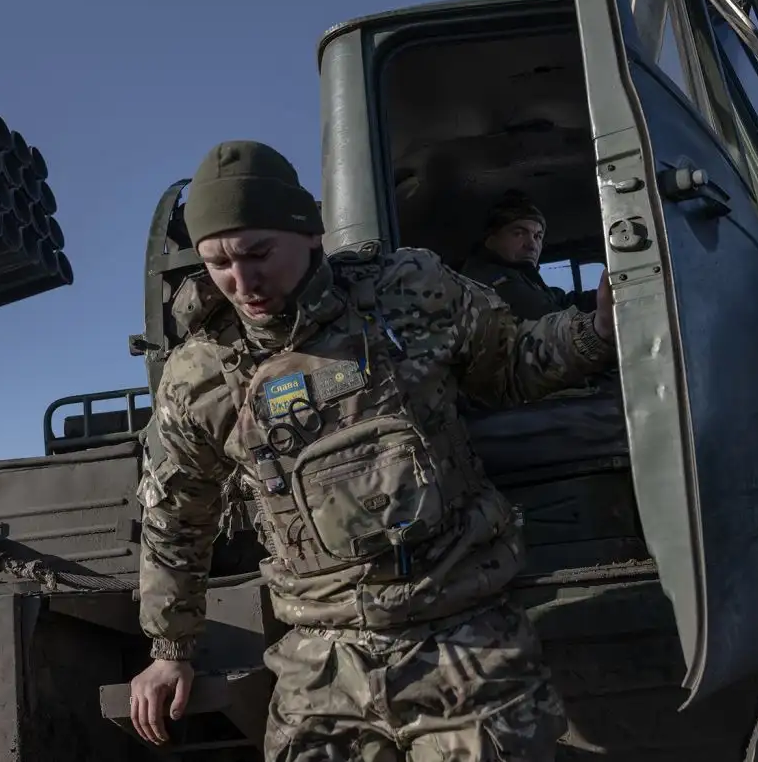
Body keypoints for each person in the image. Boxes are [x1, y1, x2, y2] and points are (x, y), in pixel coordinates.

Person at [128, 140, 617, 761]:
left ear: (310, 234)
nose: (242, 282)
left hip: (463, 637)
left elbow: (511, 365)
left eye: (257, 254)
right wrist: (170, 652)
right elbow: (177, 514)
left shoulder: (410, 291)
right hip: (320, 659)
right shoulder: (196, 375)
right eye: (218, 263)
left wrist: (595, 331)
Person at [460, 190, 598, 320]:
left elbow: (561, 300)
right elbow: (550, 321)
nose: (532, 245)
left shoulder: (523, 277)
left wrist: (608, 293)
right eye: (518, 233)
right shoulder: (491, 281)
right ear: (491, 241)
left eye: (537, 236)